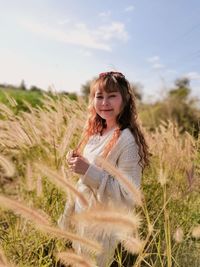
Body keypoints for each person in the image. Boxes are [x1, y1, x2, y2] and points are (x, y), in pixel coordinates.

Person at [58, 71, 149, 266]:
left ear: (124, 100)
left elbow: (128, 194)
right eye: (99, 96)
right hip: (82, 216)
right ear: (93, 100)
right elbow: (90, 171)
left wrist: (88, 171)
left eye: (112, 96)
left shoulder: (127, 141)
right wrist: (78, 161)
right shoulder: (97, 132)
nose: (105, 102)